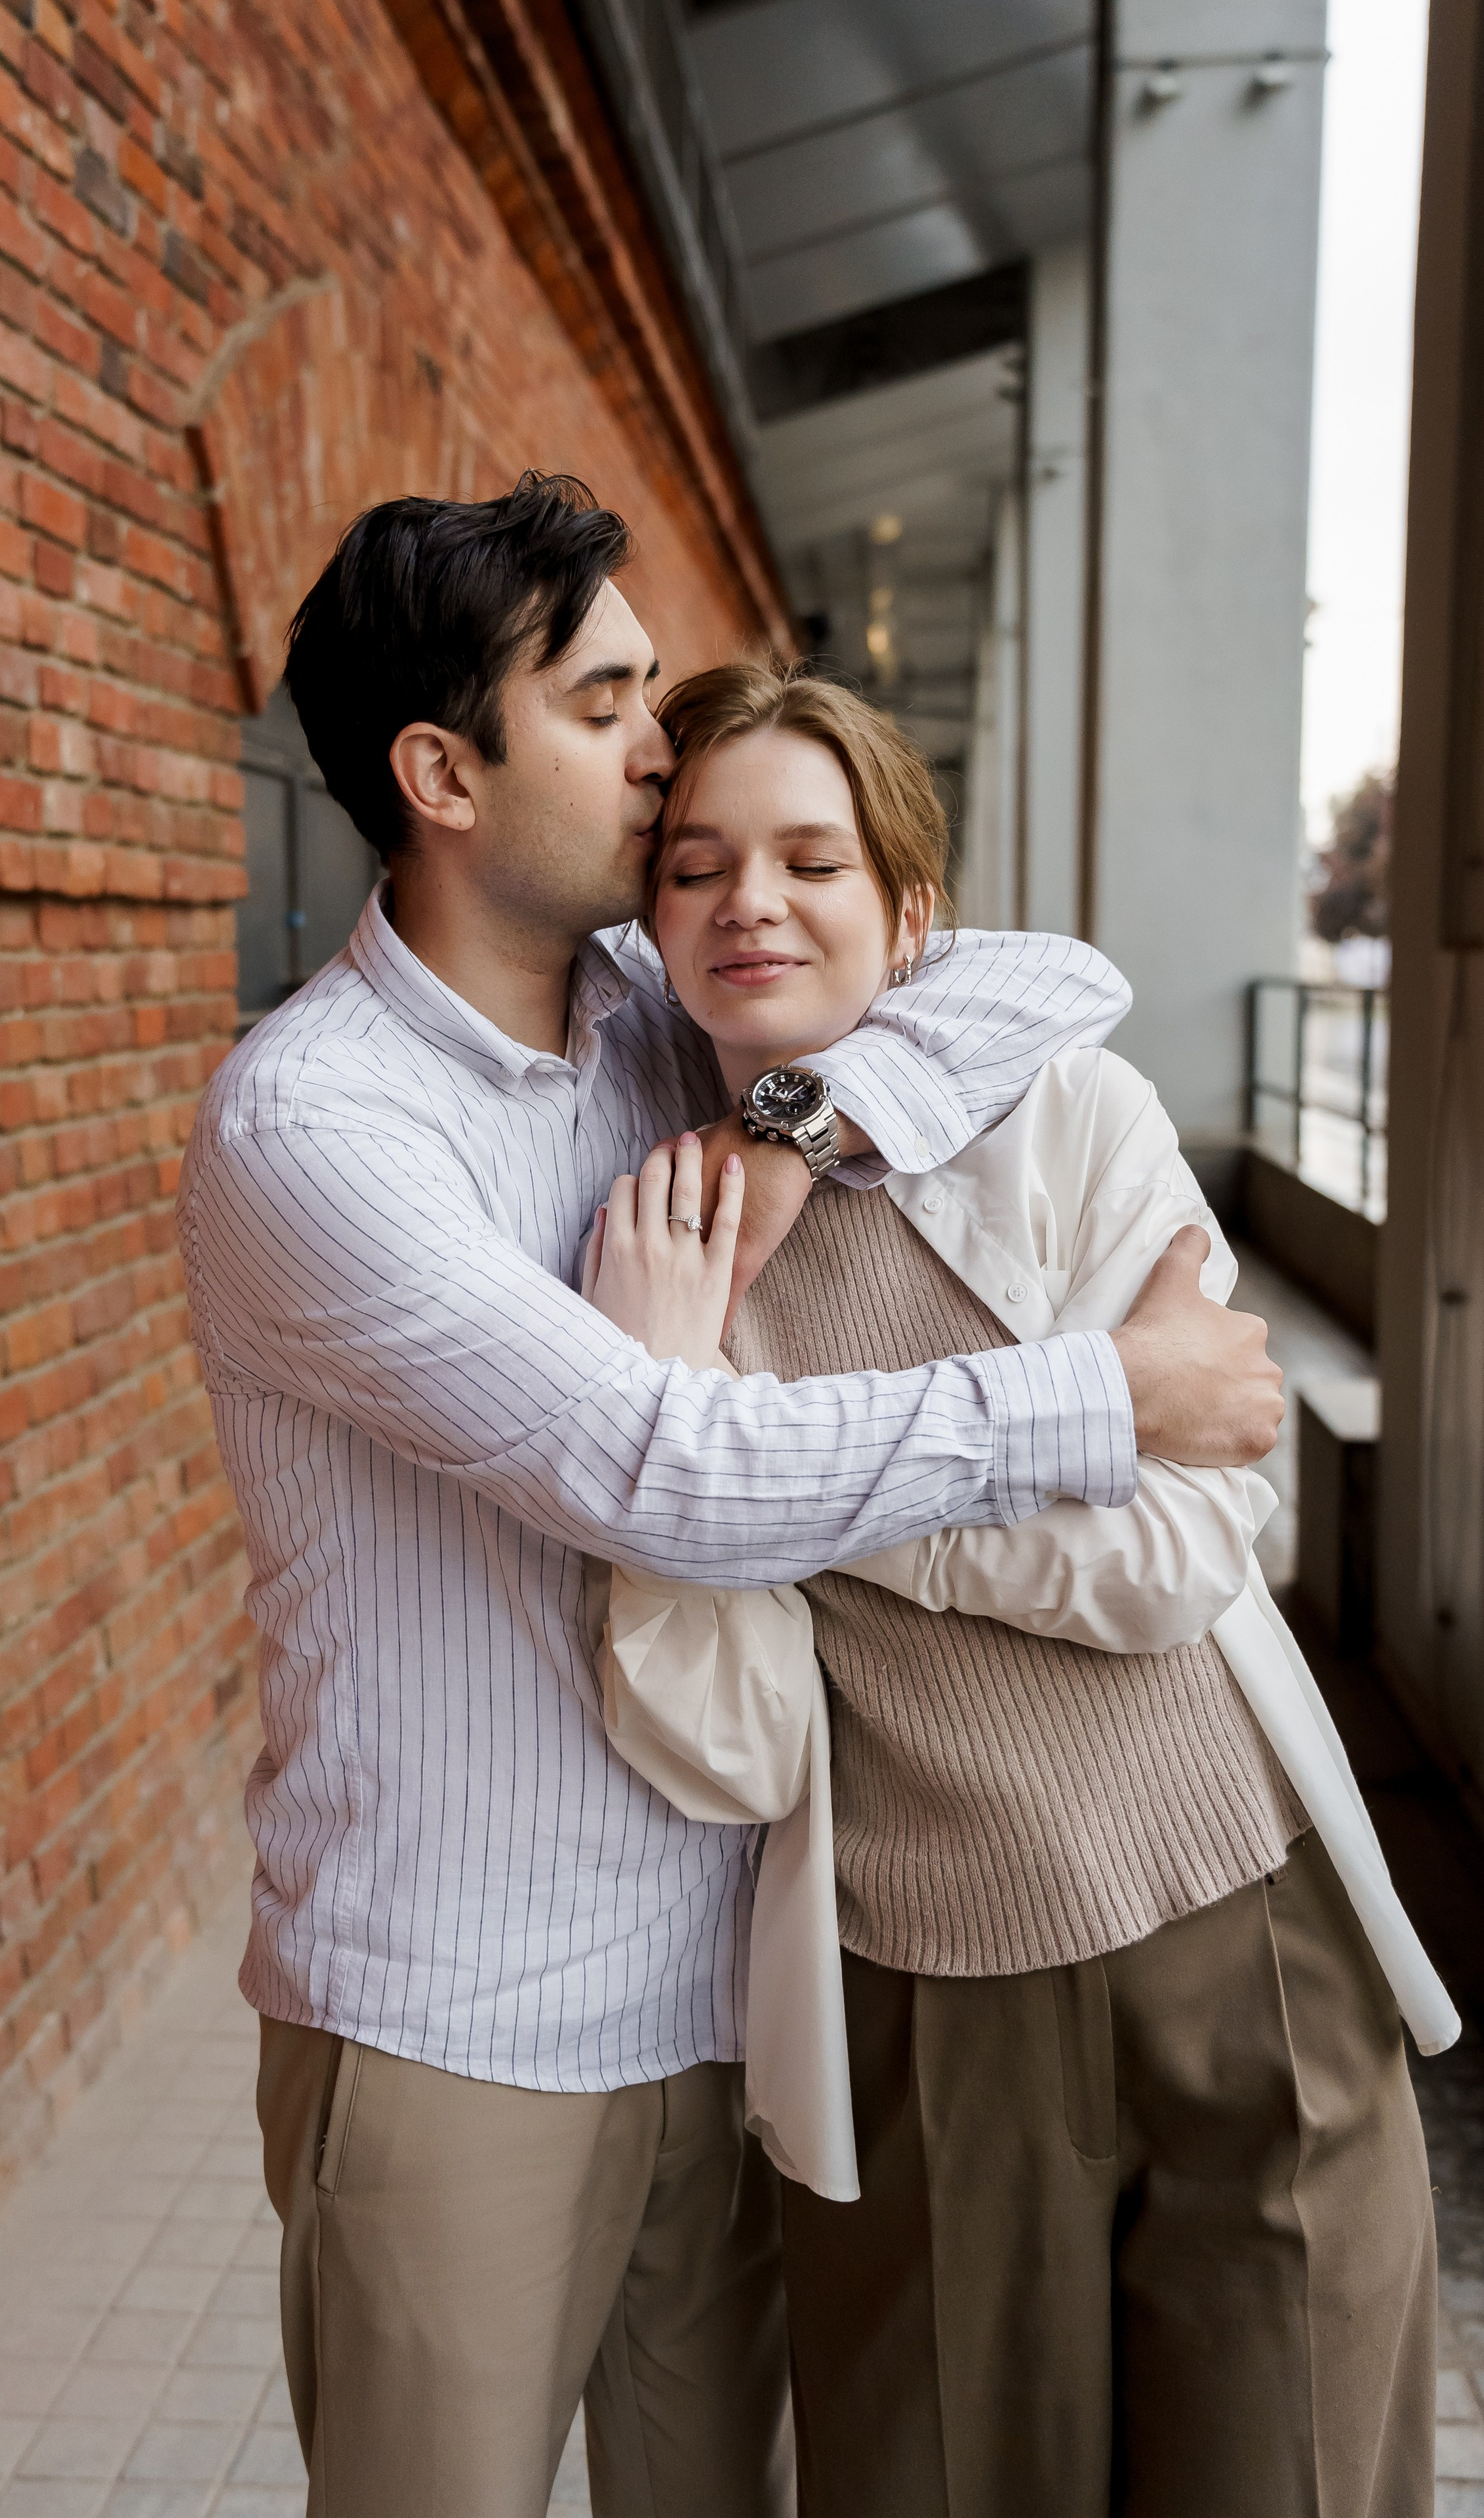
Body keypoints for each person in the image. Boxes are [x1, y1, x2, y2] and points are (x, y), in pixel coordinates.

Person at [176, 474, 1285, 2518]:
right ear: (440, 770)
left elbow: (1027, 979)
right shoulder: (316, 1126)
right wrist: (1102, 1393)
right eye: (605, 707)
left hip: (724, 2003)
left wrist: (789, 1121)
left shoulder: (645, 1018)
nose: (659, 748)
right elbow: (661, 1472)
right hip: (455, 2028)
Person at [587, 656, 1451, 2518]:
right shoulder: (661, 1250)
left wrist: (767, 1473)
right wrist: (670, 1489)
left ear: (910, 913)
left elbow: (1175, 1557)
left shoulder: (1075, 1119)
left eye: (814, 861)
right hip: (924, 1984)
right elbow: (716, 1733)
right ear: (650, 923)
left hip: (1246, 1928)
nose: (753, 901)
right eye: (700, 863)